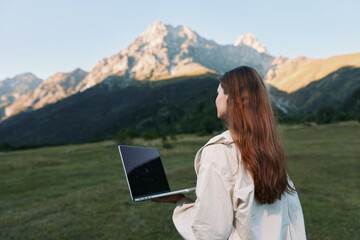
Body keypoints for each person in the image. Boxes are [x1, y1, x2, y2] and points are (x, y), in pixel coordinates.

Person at [152, 66, 306, 239]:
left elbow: (209, 233)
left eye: (219, 94)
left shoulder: (219, 151)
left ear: (232, 99)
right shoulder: (271, 152)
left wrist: (182, 205)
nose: (216, 100)